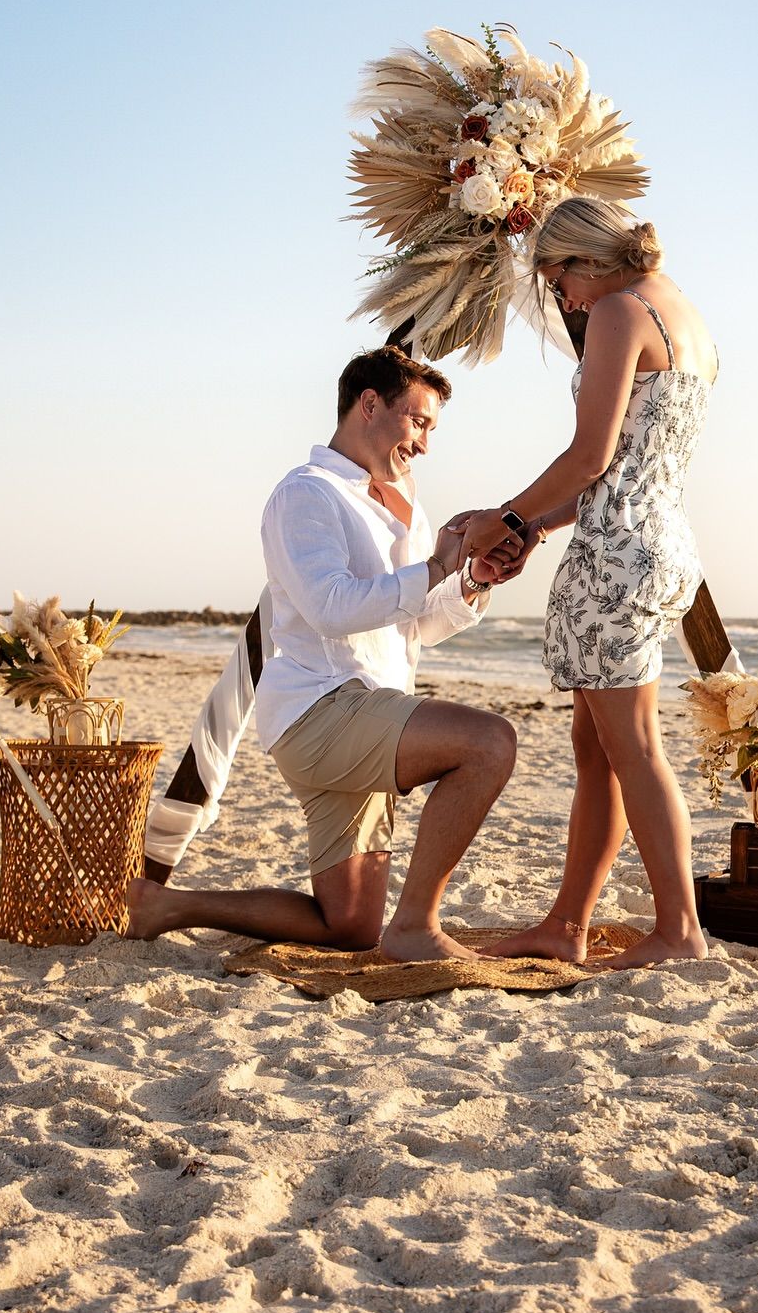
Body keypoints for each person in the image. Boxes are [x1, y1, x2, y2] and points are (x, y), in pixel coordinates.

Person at [127, 347, 518, 962]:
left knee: (350, 927)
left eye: (431, 430)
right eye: (418, 422)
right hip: (323, 711)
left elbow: (416, 627)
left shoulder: (402, 505)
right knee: (489, 743)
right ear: (369, 405)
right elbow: (332, 608)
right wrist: (439, 563)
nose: (424, 445)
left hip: (371, 714)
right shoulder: (305, 495)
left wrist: (472, 579)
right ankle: (417, 926)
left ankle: (166, 907)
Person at [454, 198, 716, 969]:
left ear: (586, 259)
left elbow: (591, 457)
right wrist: (531, 528)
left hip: (617, 557)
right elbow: (627, 469)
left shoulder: (617, 313)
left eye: (555, 276)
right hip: (658, 543)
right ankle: (567, 923)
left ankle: (679, 932)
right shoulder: (688, 320)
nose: (559, 297)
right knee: (596, 747)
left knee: (632, 747)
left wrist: (503, 515)